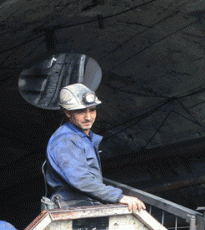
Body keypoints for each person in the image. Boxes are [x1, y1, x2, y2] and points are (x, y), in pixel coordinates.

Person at [44, 83, 146, 212]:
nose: (88, 117)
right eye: (80, 111)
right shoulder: (65, 141)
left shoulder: (83, 137)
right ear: (68, 113)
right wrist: (117, 197)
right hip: (70, 207)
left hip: (83, 204)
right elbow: (81, 179)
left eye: (92, 110)